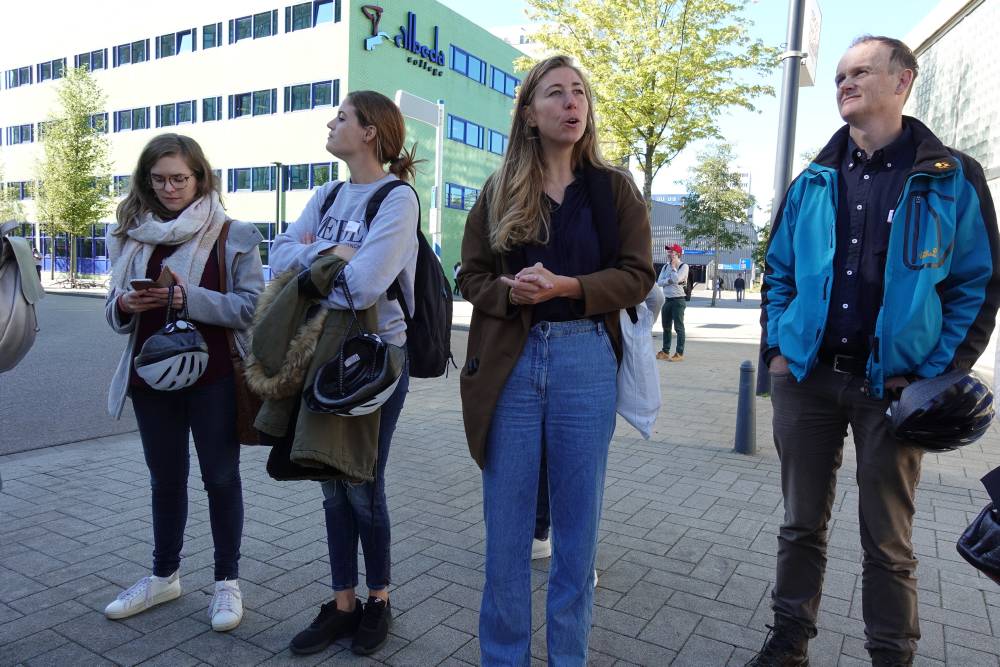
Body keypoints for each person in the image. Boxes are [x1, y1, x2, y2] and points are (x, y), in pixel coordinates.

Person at [752, 36, 999, 667]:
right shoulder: (812, 179)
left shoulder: (952, 177)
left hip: (895, 393)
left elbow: (977, 282)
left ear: (903, 81)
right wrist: (779, 349)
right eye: (839, 75)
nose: (845, 82)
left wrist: (936, 375)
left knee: (887, 542)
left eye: (861, 71)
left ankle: (891, 657)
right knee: (799, 525)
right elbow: (778, 269)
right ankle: (787, 647)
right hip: (806, 381)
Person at [458, 55, 654, 665]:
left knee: (577, 539)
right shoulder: (499, 189)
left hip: (585, 361)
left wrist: (567, 287)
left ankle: (569, 657)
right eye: (555, 93)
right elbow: (469, 274)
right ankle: (504, 657)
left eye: (579, 93)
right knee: (507, 536)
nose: (572, 103)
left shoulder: (613, 188)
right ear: (529, 113)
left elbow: (638, 275)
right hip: (512, 363)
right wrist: (509, 291)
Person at [268, 90, 419, 657]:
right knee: (331, 488)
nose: (330, 124)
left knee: (363, 485)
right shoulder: (328, 192)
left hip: (374, 362)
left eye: (342, 117)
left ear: (371, 132)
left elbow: (365, 286)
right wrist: (333, 252)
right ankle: (343, 603)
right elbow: (276, 256)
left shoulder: (397, 199)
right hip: (319, 355)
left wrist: (316, 258)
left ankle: (379, 599)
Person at [103, 133, 265, 632]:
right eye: (159, 180)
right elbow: (114, 314)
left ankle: (227, 583)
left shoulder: (232, 233)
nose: (169, 189)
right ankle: (164, 575)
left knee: (220, 478)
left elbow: (250, 308)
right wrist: (126, 306)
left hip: (213, 376)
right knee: (165, 480)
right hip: (150, 377)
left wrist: (185, 298)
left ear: (200, 177)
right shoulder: (130, 234)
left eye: (179, 178)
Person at [655, 244, 688, 362]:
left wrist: (674, 267)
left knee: (679, 327)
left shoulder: (684, 266)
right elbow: (659, 282)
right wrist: (669, 280)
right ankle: (665, 351)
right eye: (668, 251)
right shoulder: (665, 267)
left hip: (678, 300)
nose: (668, 253)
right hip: (667, 299)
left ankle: (679, 353)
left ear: (677, 254)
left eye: (671, 251)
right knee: (666, 327)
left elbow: (677, 280)